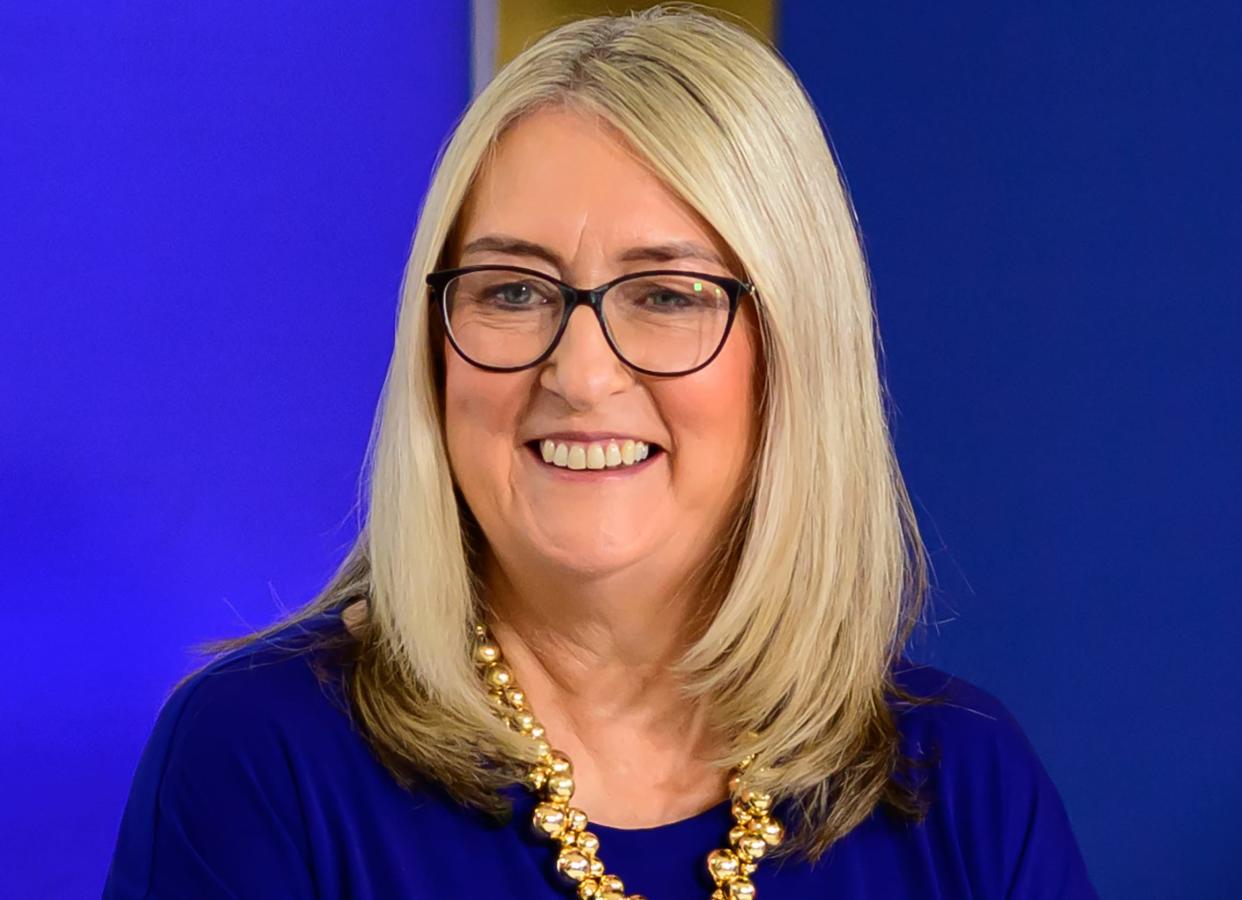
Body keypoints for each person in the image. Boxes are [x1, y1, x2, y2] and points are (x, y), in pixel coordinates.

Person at [104, 6, 1097, 898]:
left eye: (666, 295)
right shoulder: (259, 762)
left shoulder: (964, 787)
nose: (579, 374)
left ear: (795, 352)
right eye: (510, 291)